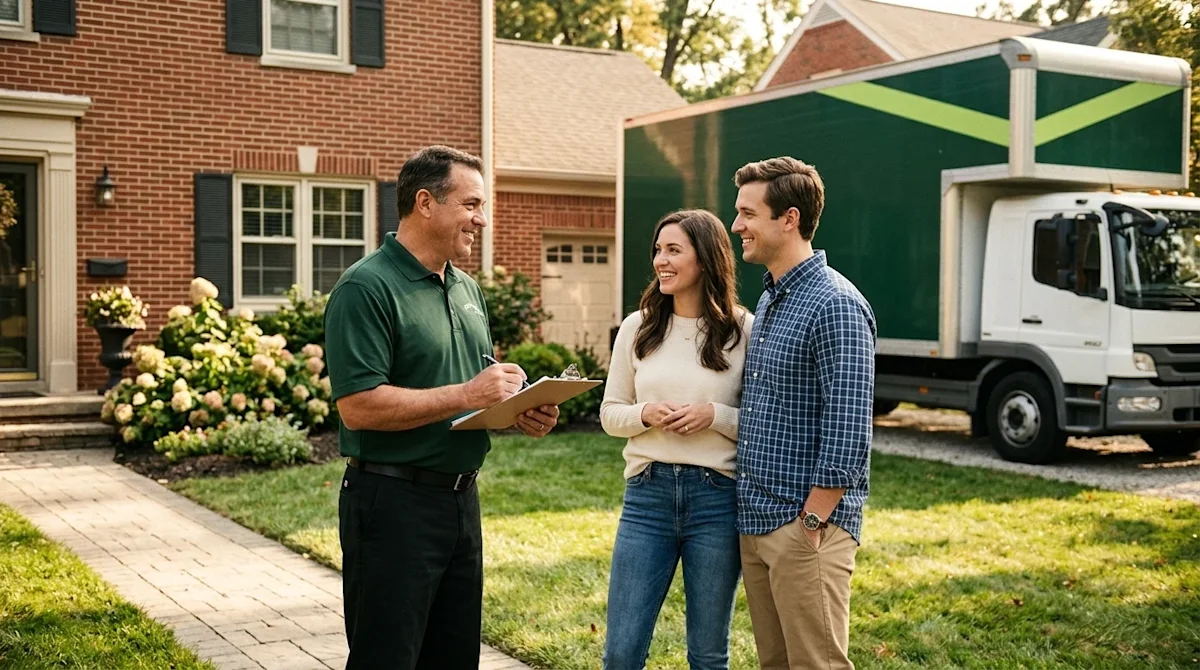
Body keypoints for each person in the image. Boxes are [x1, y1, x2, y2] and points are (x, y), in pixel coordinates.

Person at [324, 145, 560, 669]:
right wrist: (470, 394)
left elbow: (473, 387)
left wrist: (521, 409)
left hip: (460, 504)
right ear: (425, 202)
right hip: (390, 504)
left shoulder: (467, 288)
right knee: (387, 659)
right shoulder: (365, 288)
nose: (482, 218)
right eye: (471, 203)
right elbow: (359, 407)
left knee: (454, 659)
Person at [730, 157, 877, 670]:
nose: (736, 226)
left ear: (788, 219)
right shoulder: (771, 299)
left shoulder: (834, 303)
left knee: (817, 666)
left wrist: (813, 520)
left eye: (748, 213)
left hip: (806, 526)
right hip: (757, 520)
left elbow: (849, 425)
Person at [599, 208, 753, 669]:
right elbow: (609, 414)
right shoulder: (638, 326)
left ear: (705, 259)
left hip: (717, 502)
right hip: (647, 499)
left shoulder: (743, 330)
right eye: (657, 250)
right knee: (622, 652)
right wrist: (645, 413)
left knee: (708, 655)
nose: (660, 261)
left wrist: (715, 416)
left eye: (673, 250)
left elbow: (765, 423)